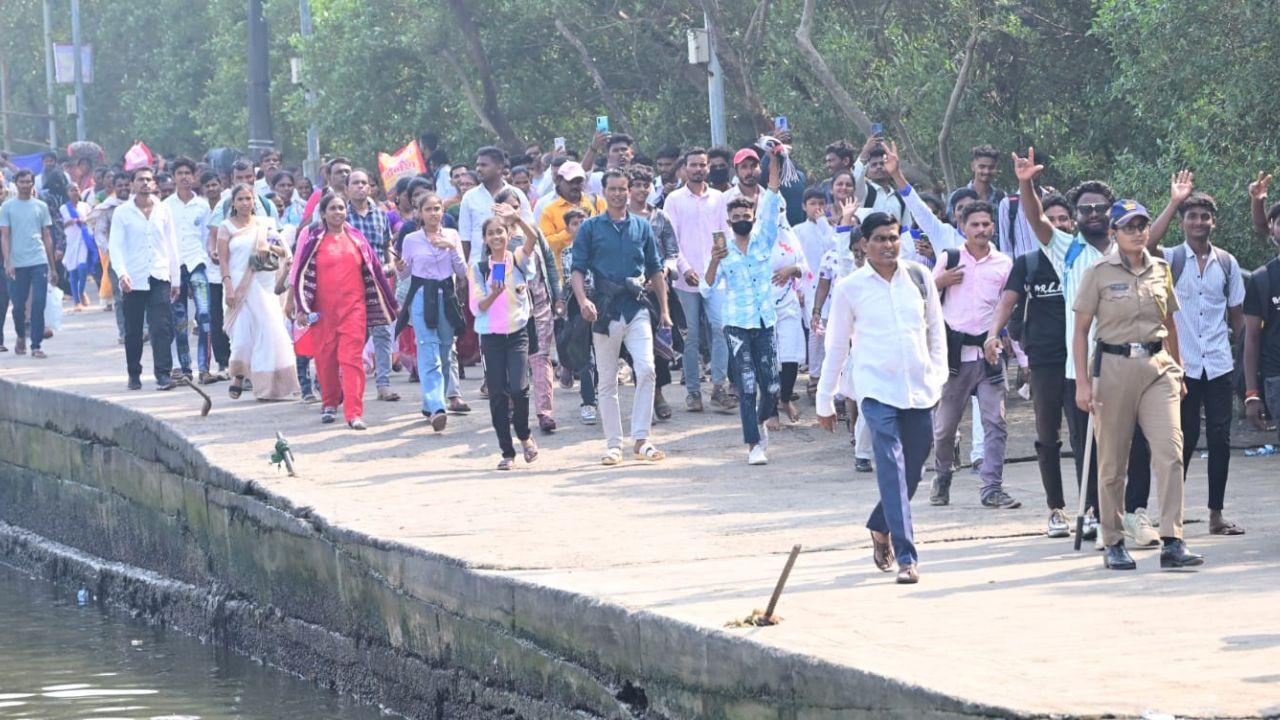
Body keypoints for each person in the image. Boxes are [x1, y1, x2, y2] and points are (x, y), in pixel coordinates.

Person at [1014, 148, 1158, 547]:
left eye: (1100, 208)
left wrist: (1175, 202)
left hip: (1129, 364)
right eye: (1085, 209)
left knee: (1137, 443)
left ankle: (1136, 512)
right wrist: (1026, 184)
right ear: (1076, 216)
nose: (1093, 214)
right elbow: (1036, 219)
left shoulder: (1129, 248)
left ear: (1112, 213)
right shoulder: (1066, 247)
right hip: (1082, 369)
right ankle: (1093, 512)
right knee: (1088, 446)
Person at [1072, 198, 1203, 571]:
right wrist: (1082, 383)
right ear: (1114, 232)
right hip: (1113, 369)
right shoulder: (1098, 272)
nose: (1137, 232)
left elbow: (1170, 322)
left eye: (1142, 225)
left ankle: (1173, 540)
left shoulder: (1161, 269)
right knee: (1113, 461)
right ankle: (1114, 540)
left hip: (1158, 368)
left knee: (1170, 453)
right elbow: (1081, 332)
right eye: (1128, 226)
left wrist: (1178, 370)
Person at [816, 211, 947, 585]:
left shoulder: (919, 277)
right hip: (875, 390)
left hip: (919, 388)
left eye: (893, 237)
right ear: (864, 244)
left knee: (915, 468)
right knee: (890, 464)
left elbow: (936, 332)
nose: (888, 245)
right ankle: (907, 556)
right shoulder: (850, 288)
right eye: (880, 239)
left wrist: (938, 376)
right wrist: (826, 399)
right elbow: (836, 346)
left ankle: (879, 523)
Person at [1142, 173, 1247, 535]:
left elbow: (1237, 318)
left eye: (1204, 216)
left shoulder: (1227, 264)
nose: (1199, 222)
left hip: (1218, 364)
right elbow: (1147, 244)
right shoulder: (1171, 258)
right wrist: (1174, 201)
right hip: (1180, 366)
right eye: (1192, 216)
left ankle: (1216, 515)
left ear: (1214, 222)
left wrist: (1243, 368)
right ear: (1183, 222)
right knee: (1180, 442)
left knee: (1220, 441)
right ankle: (1172, 516)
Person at [983, 194, 1080, 536]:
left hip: (1081, 362)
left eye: (1063, 218)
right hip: (1044, 362)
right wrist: (992, 334)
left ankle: (1092, 510)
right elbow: (1007, 302)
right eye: (1050, 218)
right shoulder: (1028, 263)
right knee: (1048, 437)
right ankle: (1056, 510)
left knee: (1086, 437)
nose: (1058, 224)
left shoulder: (1084, 260)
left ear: (1073, 223)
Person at [571, 169, 671, 466]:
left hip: (637, 306)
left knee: (647, 368)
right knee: (607, 380)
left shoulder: (642, 226)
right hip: (604, 309)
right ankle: (614, 444)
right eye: (612, 189)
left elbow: (656, 268)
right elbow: (577, 269)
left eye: (622, 189)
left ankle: (641, 439)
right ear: (603, 192)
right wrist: (583, 300)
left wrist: (665, 310)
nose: (617, 194)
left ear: (629, 191)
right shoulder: (590, 228)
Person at [704, 145, 785, 463]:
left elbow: (773, 196)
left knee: (773, 385)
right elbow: (706, 287)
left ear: (753, 217)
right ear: (729, 220)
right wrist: (714, 261)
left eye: (745, 216)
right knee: (748, 384)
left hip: (765, 320)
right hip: (737, 323)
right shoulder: (723, 249)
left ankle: (762, 421)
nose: (741, 220)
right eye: (736, 217)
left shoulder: (764, 238)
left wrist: (774, 161)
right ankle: (754, 444)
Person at [290, 192, 398, 430]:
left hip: (354, 310)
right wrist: (301, 307)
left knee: (351, 360)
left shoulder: (357, 239)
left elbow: (375, 270)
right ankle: (329, 403)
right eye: (333, 208)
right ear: (323, 213)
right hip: (322, 313)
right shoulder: (313, 241)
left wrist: (389, 302)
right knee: (326, 360)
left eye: (341, 208)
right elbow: (300, 274)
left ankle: (354, 413)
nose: (338, 212)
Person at [666, 147, 736, 413]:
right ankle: (693, 392)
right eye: (693, 165)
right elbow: (670, 240)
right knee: (691, 335)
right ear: (685, 168)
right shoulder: (674, 200)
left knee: (720, 328)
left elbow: (724, 234)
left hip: (715, 277)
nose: (698, 169)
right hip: (686, 280)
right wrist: (684, 269)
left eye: (702, 165)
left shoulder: (718, 198)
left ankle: (719, 388)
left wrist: (719, 266)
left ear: (708, 167)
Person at [469, 208, 540, 469]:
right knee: (497, 395)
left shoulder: (518, 258)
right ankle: (507, 452)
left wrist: (517, 218)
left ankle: (524, 435)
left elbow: (533, 238)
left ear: (509, 235)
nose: (496, 237)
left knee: (519, 389)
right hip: (491, 337)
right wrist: (493, 294)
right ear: (485, 239)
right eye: (491, 233)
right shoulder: (479, 268)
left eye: (500, 231)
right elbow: (477, 307)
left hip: (518, 333)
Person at [215, 184, 299, 400]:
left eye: (248, 198)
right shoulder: (226, 227)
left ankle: (268, 387)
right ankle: (239, 375)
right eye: (240, 199)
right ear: (233, 203)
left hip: (264, 285)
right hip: (238, 287)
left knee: (269, 333)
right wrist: (228, 286)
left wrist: (267, 247)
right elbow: (223, 261)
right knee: (242, 336)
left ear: (254, 202)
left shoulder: (264, 224)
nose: (245, 203)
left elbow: (285, 252)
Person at [395, 192, 468, 432]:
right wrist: (399, 266)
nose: (434, 213)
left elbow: (462, 272)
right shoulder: (411, 239)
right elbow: (404, 274)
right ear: (420, 213)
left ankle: (431, 404)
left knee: (446, 352)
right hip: (421, 296)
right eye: (428, 209)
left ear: (442, 212)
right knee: (428, 350)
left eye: (437, 208)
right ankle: (438, 407)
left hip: (446, 296)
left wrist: (451, 248)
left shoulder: (452, 235)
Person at [494, 186, 561, 433]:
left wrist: (558, 296)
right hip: (510, 307)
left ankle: (545, 413)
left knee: (541, 357)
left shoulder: (532, 231)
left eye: (516, 207)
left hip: (540, 304)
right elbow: (494, 267)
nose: (512, 211)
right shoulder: (495, 235)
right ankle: (514, 406)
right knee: (514, 360)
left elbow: (549, 265)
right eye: (507, 207)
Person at [108, 166, 180, 390]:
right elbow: (115, 246)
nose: (145, 183)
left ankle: (163, 374)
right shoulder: (122, 212)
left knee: (161, 328)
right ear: (132, 184)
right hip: (133, 278)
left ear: (154, 183)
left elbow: (171, 244)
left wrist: (176, 278)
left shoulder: (163, 210)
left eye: (149, 179)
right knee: (134, 331)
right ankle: (134, 374)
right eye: (140, 179)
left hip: (159, 275)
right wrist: (122, 274)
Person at [345, 168, 399, 402]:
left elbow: (387, 245)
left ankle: (383, 384)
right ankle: (342, 382)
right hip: (350, 282)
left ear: (370, 187)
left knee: (383, 331)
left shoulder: (380, 214)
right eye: (355, 183)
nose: (360, 186)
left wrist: (391, 263)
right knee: (352, 333)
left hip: (377, 282)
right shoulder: (341, 215)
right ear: (346, 188)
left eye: (363, 183)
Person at [164, 156, 215, 383]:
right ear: (173, 177)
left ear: (194, 177)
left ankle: (204, 368)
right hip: (175, 268)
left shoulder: (202, 206)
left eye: (188, 173)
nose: (184, 177)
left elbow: (206, 238)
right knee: (180, 321)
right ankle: (185, 369)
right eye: (180, 173)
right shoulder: (165, 206)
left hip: (197, 264)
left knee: (204, 315)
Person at [0, 169, 56, 359]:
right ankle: (21, 335)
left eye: (28, 182)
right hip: (17, 262)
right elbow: (5, 236)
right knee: (18, 306)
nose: (26, 185)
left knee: (39, 302)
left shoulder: (41, 206)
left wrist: (52, 266)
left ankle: (36, 345)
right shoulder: (7, 207)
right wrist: (8, 261)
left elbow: (46, 236)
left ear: (33, 183)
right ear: (16, 183)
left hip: (38, 260)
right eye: (22, 182)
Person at [1244, 173, 1280, 446]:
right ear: (1273, 229)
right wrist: (1252, 393)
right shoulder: (1262, 279)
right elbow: (1252, 338)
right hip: (1276, 377)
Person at [793, 188, 836, 398]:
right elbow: (794, 259)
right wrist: (797, 287)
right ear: (804, 206)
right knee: (815, 331)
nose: (817, 208)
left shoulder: (831, 228)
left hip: (831, 286)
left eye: (821, 203)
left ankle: (829, 377)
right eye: (812, 204)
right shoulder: (797, 230)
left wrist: (823, 223)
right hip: (808, 286)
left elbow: (833, 246)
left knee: (831, 332)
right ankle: (814, 375)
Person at [458, 147, 532, 259]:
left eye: (483, 165)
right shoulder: (469, 197)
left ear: (499, 168)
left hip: (513, 262)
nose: (478, 169)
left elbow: (530, 229)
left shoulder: (517, 194)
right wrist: (466, 267)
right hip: (479, 263)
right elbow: (465, 238)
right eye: (477, 165)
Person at [538, 160, 605, 274]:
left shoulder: (597, 202)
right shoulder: (549, 211)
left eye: (578, 182)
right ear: (559, 181)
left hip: (597, 271)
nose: (575, 186)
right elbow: (545, 246)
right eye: (570, 182)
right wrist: (569, 232)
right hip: (565, 275)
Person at [90, 173, 132, 339]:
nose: (124, 188)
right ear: (114, 188)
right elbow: (99, 232)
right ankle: (124, 332)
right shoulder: (108, 208)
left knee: (141, 293)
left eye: (126, 185)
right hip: (116, 260)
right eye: (120, 186)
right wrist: (111, 249)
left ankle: (143, 330)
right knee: (120, 296)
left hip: (138, 257)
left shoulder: (139, 204)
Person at [853, 134, 911, 228]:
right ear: (867, 172)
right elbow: (853, 181)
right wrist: (865, 152)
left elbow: (907, 228)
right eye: (874, 165)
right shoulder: (864, 192)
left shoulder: (901, 198)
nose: (879, 167)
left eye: (882, 163)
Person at [59, 181, 95, 311]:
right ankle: (77, 301)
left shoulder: (85, 206)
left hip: (83, 240)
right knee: (73, 272)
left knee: (82, 268)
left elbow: (92, 220)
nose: (75, 192)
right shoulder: (63, 208)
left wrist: (84, 221)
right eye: (72, 190)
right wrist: (69, 222)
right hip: (70, 242)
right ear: (67, 193)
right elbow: (59, 225)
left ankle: (81, 291)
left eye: (76, 189)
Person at [947, 145, 1005, 218]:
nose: (986, 171)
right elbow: (950, 222)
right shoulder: (957, 197)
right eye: (982, 167)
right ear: (973, 167)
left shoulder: (1001, 198)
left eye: (991, 167)